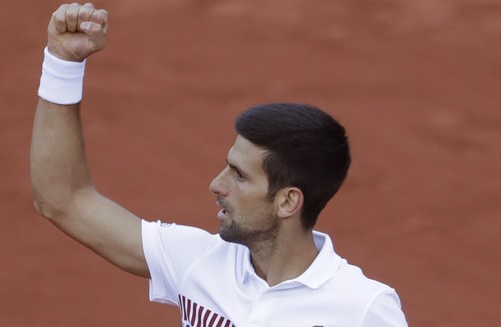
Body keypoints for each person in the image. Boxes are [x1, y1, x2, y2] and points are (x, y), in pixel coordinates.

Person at [31, 3, 408, 326]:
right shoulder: (197, 262)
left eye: (240, 176)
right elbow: (63, 199)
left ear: (288, 202)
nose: (216, 184)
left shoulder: (363, 309)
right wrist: (62, 63)